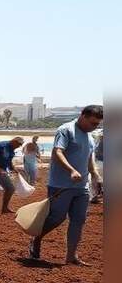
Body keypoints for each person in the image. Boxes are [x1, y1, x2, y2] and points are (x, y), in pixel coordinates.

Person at [29, 105, 103, 265]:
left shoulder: (90, 137)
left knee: (79, 220)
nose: (94, 127)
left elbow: (89, 157)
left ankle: (71, 256)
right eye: (92, 123)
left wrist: (95, 174)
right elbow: (58, 152)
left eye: (97, 124)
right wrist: (71, 170)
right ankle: (36, 237)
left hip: (82, 186)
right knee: (57, 217)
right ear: (82, 116)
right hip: (61, 185)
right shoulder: (66, 130)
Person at [91, 132, 105, 204]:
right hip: (100, 161)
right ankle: (95, 196)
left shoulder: (99, 138)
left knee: (96, 179)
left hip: (99, 161)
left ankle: (95, 196)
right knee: (96, 179)